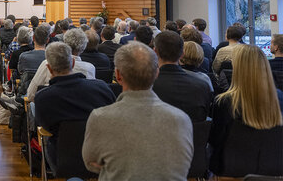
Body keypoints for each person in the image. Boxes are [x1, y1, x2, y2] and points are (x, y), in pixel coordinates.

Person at [82, 42, 193, 180]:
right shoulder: (181, 119)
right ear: (157, 72)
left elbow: (91, 163)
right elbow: (183, 164)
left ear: (118, 75)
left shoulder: (100, 117)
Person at [35, 42, 115, 172]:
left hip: (62, 159)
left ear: (49, 68)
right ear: (72, 63)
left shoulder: (43, 98)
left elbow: (46, 127)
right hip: (102, 157)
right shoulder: (102, 88)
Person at [209, 44, 283, 176]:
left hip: (232, 168)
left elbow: (216, 140)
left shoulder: (224, 101)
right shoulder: (279, 98)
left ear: (238, 67)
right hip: (275, 166)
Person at [152, 30, 212, 122]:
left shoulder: (147, 86)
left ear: (155, 52)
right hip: (193, 135)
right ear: (182, 54)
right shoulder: (203, 86)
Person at [27, 28, 96, 102]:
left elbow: (31, 94)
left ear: (65, 43)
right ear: (83, 47)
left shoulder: (48, 63)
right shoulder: (90, 68)